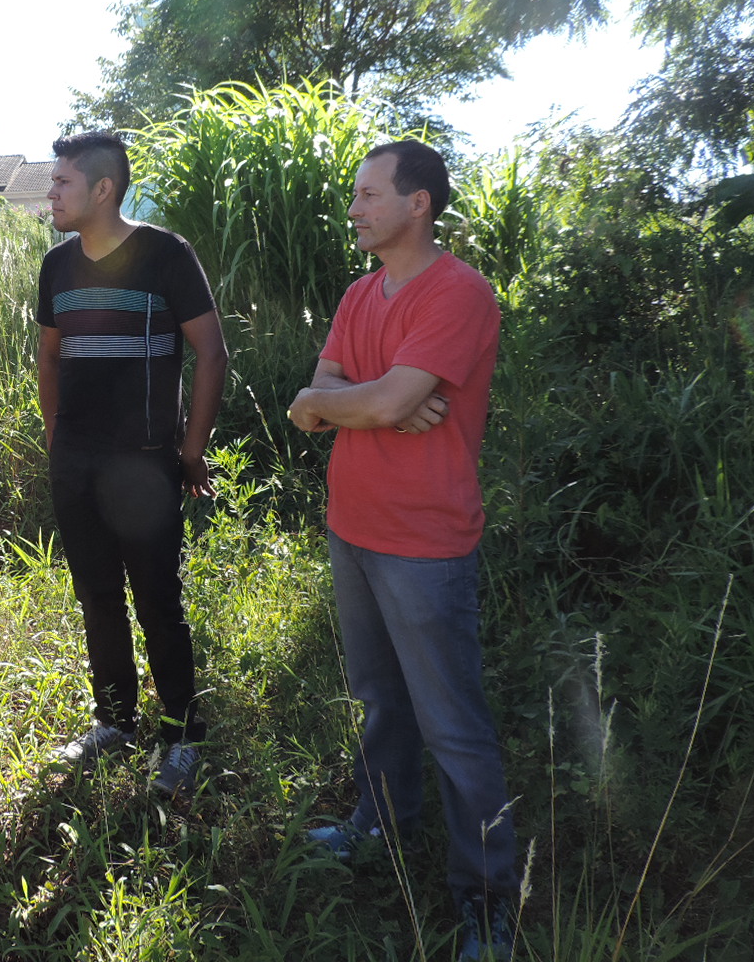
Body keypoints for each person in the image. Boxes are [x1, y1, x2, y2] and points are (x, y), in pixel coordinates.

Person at [287, 140, 519, 960]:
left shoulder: (459, 293)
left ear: (417, 204)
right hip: (352, 528)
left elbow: (352, 398)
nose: (354, 208)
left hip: (425, 543)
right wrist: (366, 401)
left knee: (454, 726)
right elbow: (314, 401)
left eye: (369, 194)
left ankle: (488, 903)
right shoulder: (361, 294)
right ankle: (379, 827)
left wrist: (361, 399)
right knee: (379, 701)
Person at [35, 131, 228, 798]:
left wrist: (191, 449)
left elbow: (213, 352)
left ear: (102, 190)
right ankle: (115, 721)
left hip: (147, 466)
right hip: (76, 463)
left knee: (159, 603)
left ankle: (180, 737)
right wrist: (60, 440)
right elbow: (50, 357)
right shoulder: (56, 267)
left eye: (63, 183)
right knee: (97, 596)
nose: (52, 193)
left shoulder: (163, 255)